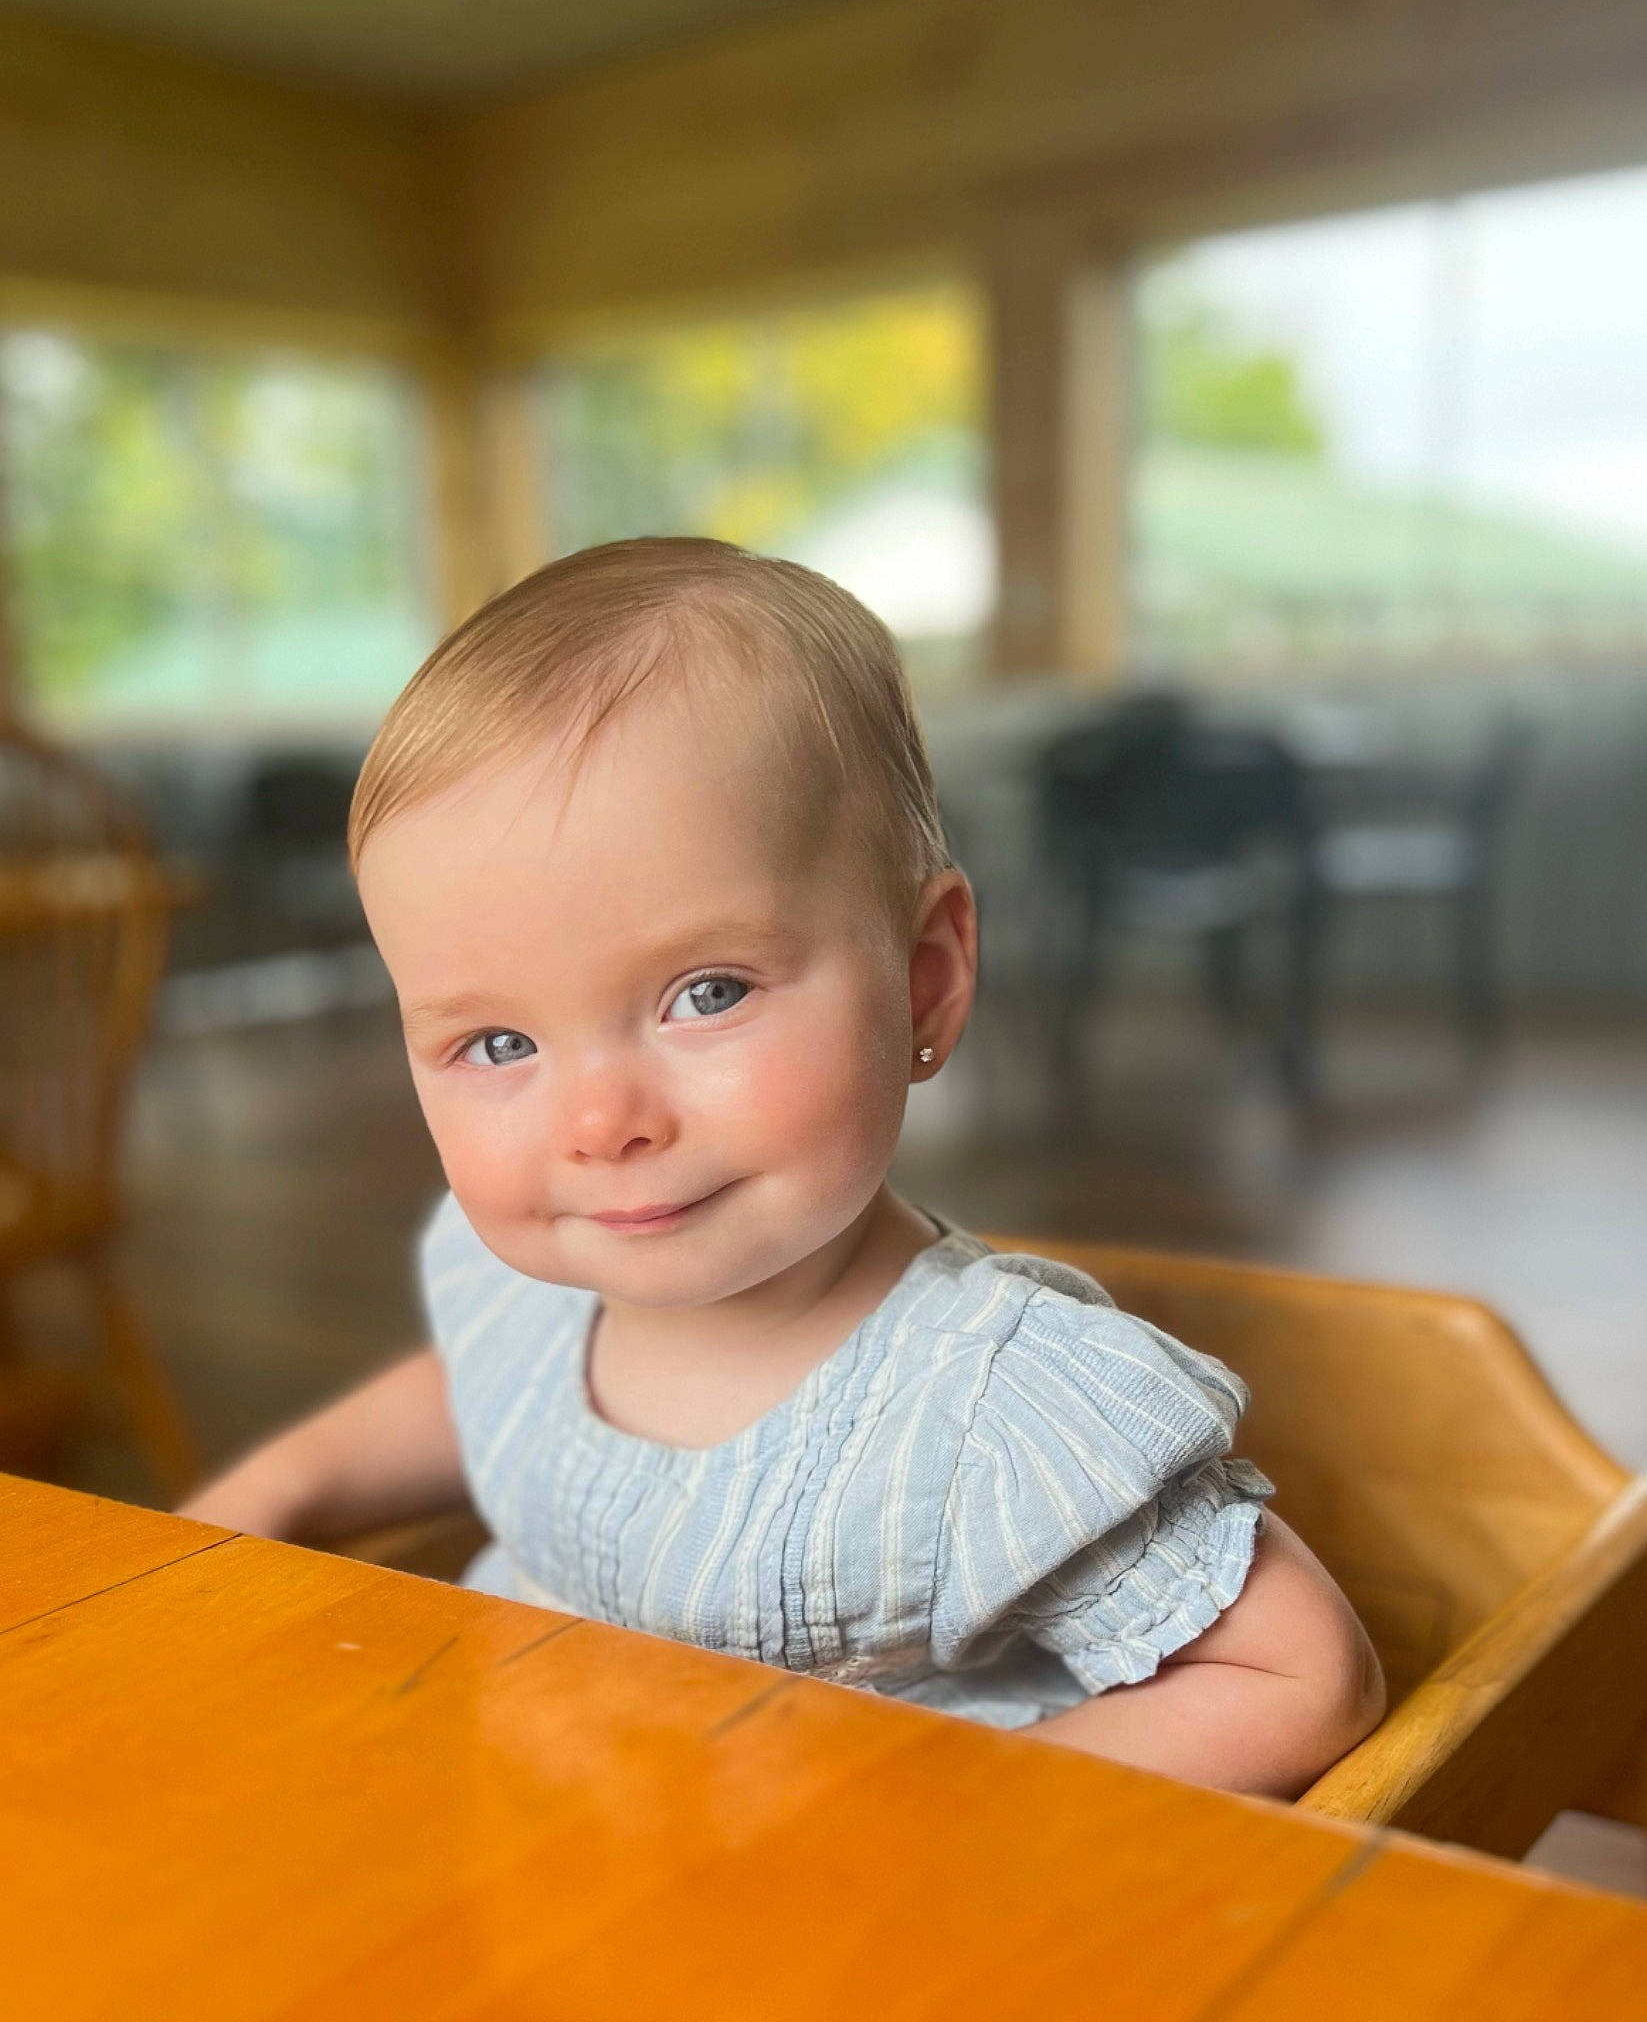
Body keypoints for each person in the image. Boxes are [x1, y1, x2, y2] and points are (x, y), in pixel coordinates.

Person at [181, 538, 1383, 1796]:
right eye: (497, 1041)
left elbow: (1301, 1678)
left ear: (925, 977)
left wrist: (912, 1821)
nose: (602, 1121)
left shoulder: (991, 1409)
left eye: (707, 992)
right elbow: (487, 1396)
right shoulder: (541, 1279)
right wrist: (280, 1483)